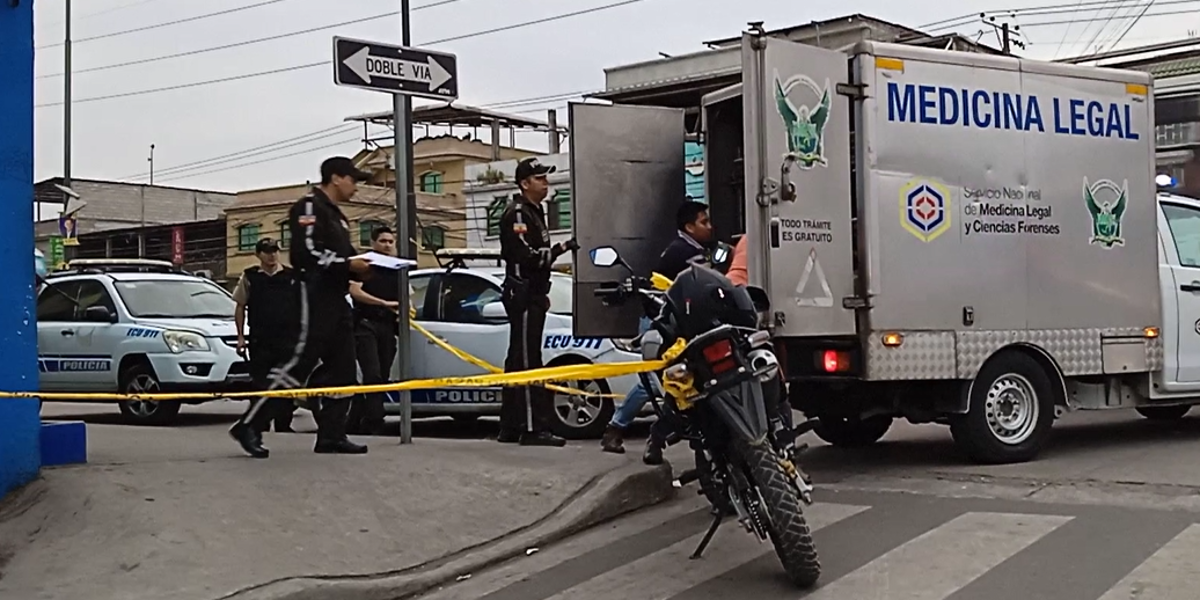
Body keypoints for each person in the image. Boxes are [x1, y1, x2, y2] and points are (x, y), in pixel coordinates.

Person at [229, 156, 373, 458]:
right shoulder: (309, 208)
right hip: (314, 296)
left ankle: (332, 435)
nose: (356, 188)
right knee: (297, 365)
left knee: (345, 369)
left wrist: (366, 267)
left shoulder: (338, 217)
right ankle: (250, 424)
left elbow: (346, 256)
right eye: (353, 180)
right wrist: (347, 264)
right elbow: (306, 253)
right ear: (336, 178)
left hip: (337, 299)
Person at [601, 200, 715, 464]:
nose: (710, 227)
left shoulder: (698, 249)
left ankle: (625, 431)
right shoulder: (681, 251)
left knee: (665, 383)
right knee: (659, 384)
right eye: (704, 222)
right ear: (689, 227)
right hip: (659, 325)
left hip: (676, 325)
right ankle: (626, 431)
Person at [497, 157, 578, 447]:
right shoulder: (518, 213)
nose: (546, 183)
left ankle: (510, 425)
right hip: (523, 293)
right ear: (524, 183)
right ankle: (532, 428)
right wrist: (562, 248)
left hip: (532, 293)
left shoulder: (535, 212)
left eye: (546, 178)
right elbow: (527, 255)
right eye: (540, 178)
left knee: (518, 359)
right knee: (529, 361)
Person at [232, 237, 298, 434]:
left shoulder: (290, 276)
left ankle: (284, 424)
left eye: (275, 251)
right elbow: (240, 306)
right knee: (261, 383)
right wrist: (241, 337)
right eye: (267, 251)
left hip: (287, 338)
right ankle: (260, 424)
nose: (272, 255)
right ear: (258, 254)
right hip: (261, 338)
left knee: (285, 382)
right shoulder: (250, 276)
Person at [346, 226, 401, 436]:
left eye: (390, 241)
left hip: (387, 327)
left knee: (382, 376)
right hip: (366, 324)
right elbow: (354, 291)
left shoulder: (397, 268)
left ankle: (356, 421)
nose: (387, 245)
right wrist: (383, 303)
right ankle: (374, 421)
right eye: (383, 241)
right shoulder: (365, 264)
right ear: (374, 243)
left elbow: (409, 294)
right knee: (373, 374)